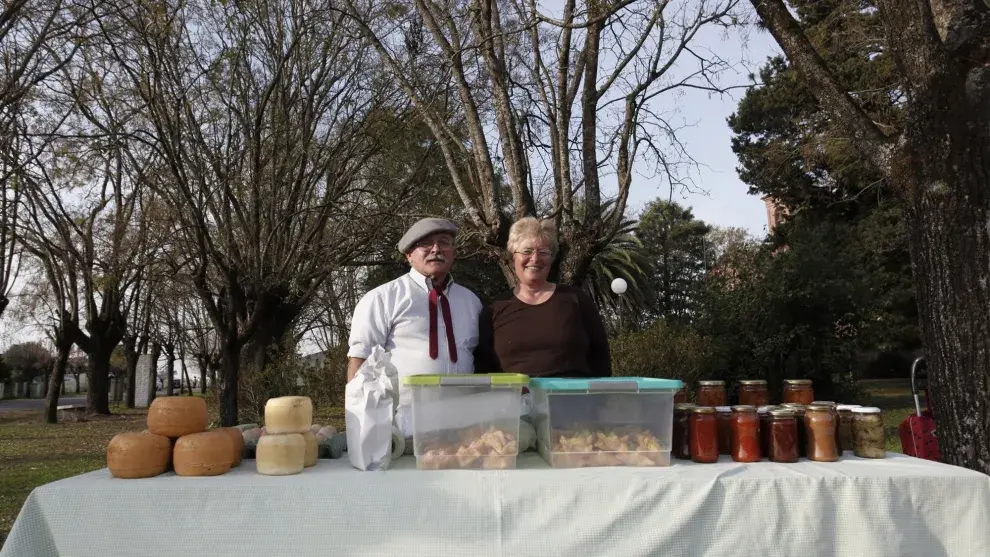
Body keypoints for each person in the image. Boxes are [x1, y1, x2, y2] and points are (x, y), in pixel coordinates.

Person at [347, 217, 483, 439]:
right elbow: (360, 364)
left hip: (463, 426)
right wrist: (362, 430)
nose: (436, 249)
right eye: (426, 244)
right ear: (409, 254)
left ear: (453, 252)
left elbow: (478, 357)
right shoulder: (382, 299)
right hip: (403, 426)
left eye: (444, 242)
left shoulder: (471, 302)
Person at [477, 217, 611, 378]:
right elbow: (483, 370)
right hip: (515, 401)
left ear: (552, 258)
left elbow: (601, 359)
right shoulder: (493, 311)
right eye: (527, 251)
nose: (535, 258)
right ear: (513, 257)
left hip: (572, 400)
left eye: (543, 252)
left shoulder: (576, 300)